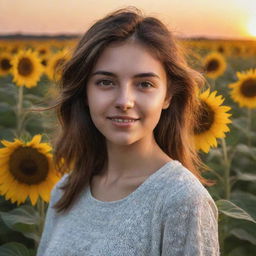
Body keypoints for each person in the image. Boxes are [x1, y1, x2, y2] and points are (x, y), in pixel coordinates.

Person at [36, 6, 220, 256]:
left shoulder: (181, 201)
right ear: (85, 93)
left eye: (144, 84)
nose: (124, 101)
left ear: (167, 96)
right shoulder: (65, 191)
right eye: (106, 82)